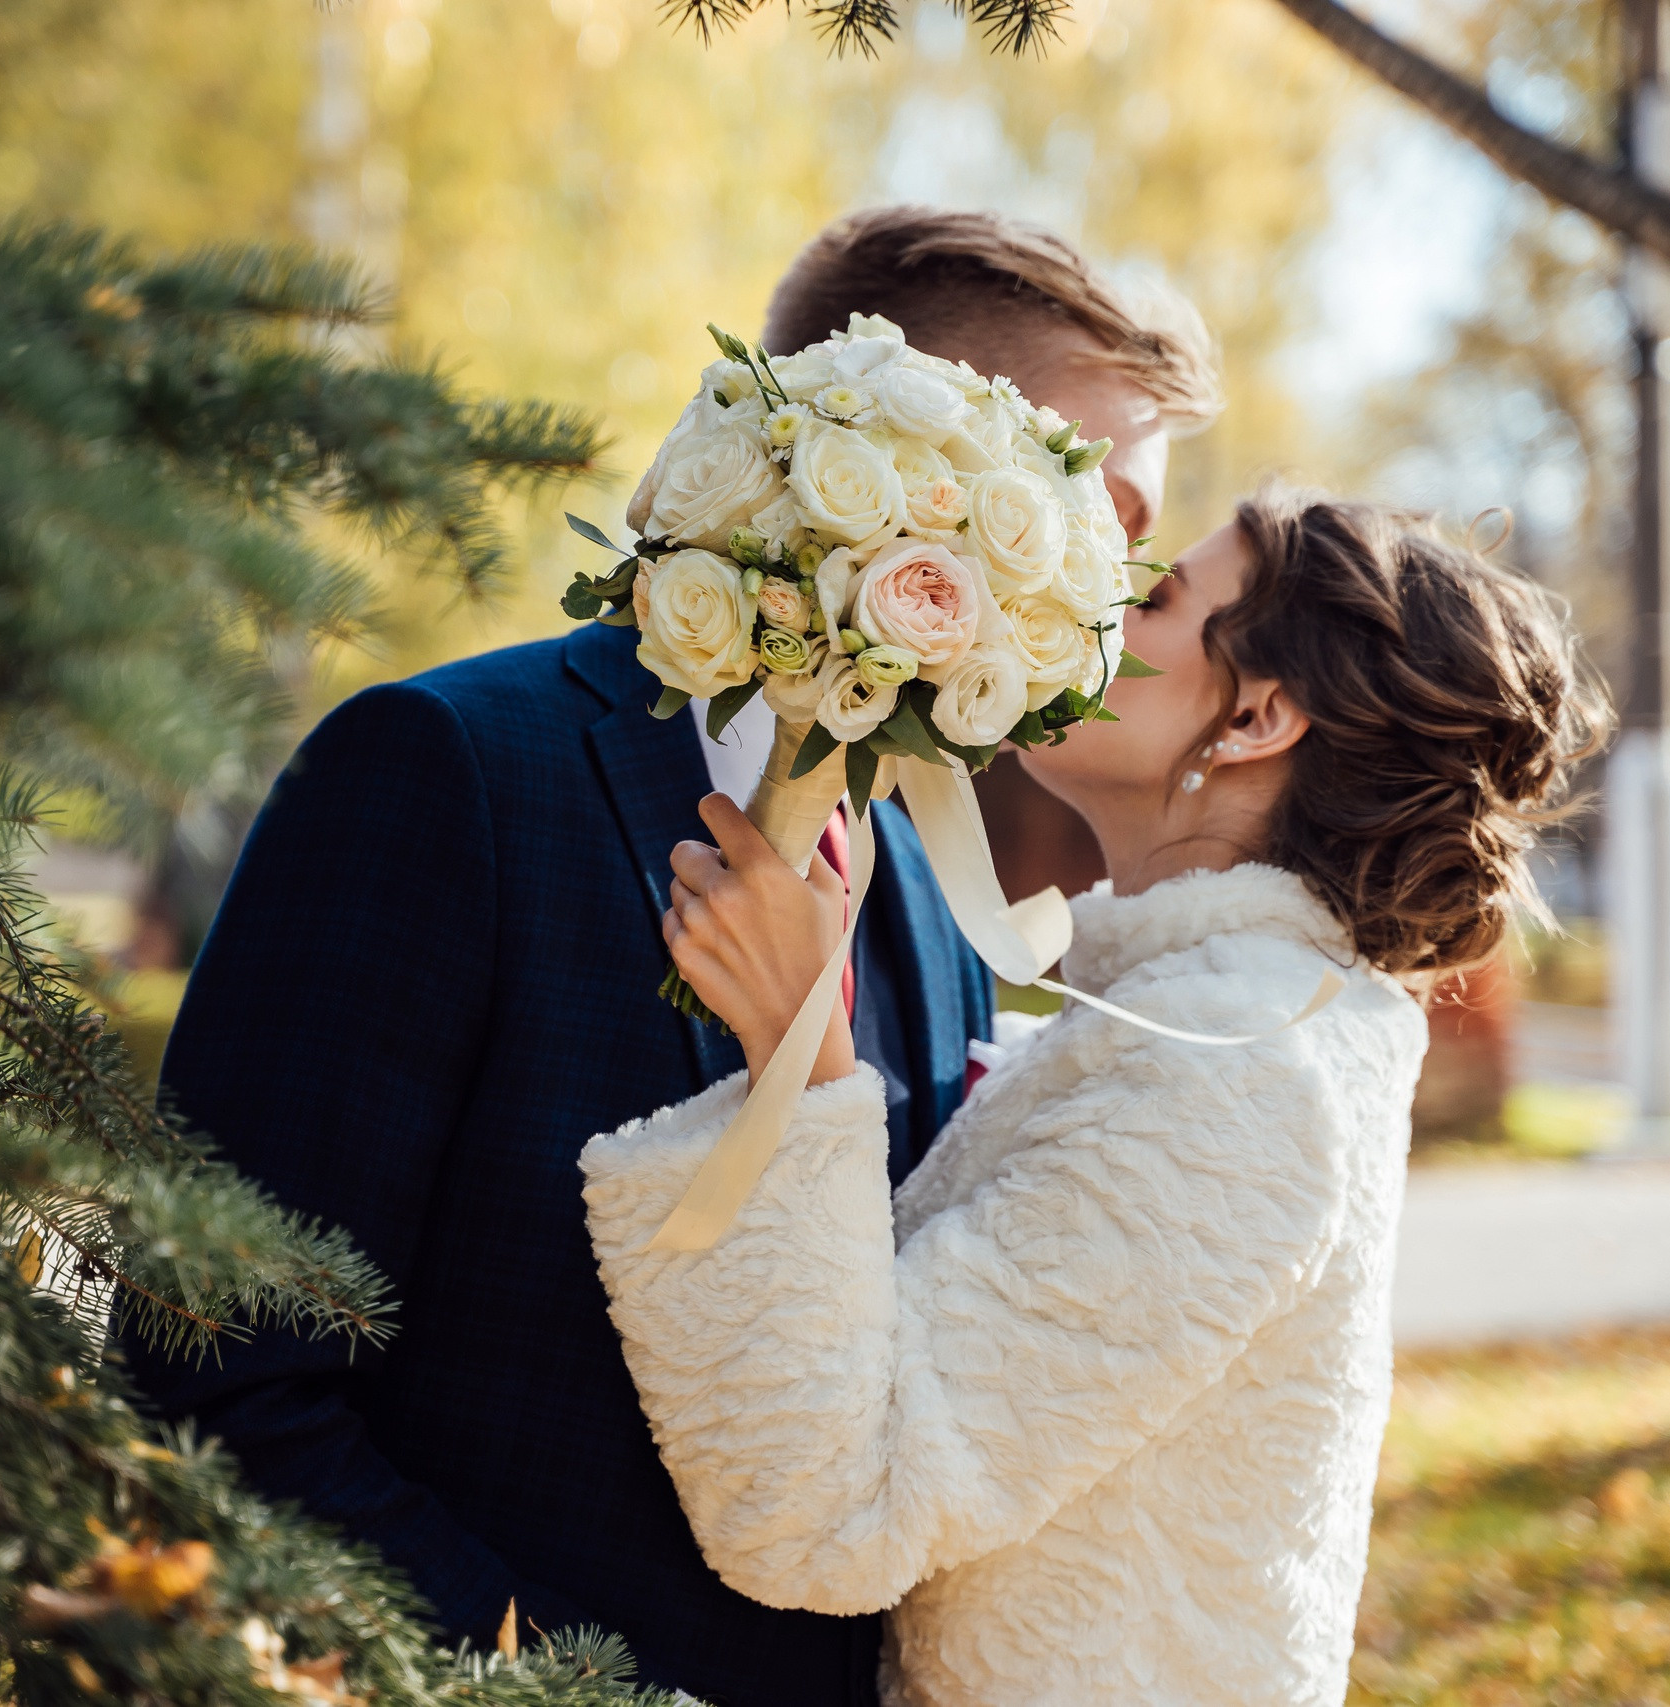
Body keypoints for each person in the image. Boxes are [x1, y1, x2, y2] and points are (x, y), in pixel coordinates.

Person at [120, 206, 1219, 1707]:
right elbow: (223, 1384)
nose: (1116, 601)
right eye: (1107, 514)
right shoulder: (445, 773)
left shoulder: (930, 882)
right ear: (919, 461)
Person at [581, 491, 1610, 1706]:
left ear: (1257, 714)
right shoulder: (1236, 1019)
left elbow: (830, 1510)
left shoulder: (1238, 1071)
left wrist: (797, 1043)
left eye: (1154, 596)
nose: (1092, 602)